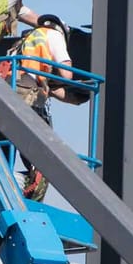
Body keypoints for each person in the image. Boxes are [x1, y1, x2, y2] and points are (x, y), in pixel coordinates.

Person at [10, 14, 84, 201]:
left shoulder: (28, 39)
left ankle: (8, 182)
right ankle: (29, 195)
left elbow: (49, 88)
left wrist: (74, 99)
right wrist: (80, 85)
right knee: (44, 159)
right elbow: (66, 74)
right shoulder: (54, 36)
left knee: (4, 149)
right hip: (28, 100)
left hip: (9, 93)